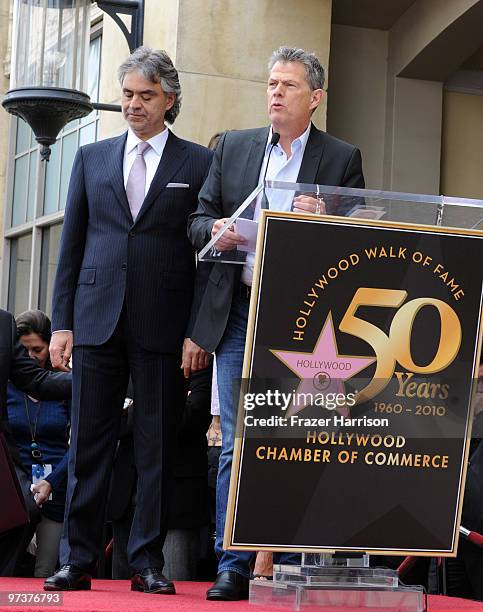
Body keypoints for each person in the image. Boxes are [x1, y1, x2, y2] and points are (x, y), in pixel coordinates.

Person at [188, 46, 365, 601]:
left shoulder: (340, 157)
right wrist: (216, 226)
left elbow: (361, 230)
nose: (275, 94)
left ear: (315, 97)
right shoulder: (237, 147)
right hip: (240, 312)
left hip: (304, 318)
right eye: (271, 84)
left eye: (288, 85)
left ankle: (285, 557)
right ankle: (233, 562)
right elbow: (196, 222)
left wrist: (326, 219)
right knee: (240, 438)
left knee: (292, 437)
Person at [45, 46, 213, 595]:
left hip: (163, 326)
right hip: (95, 320)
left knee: (154, 449)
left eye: (145, 95)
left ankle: (146, 562)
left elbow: (206, 256)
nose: (134, 105)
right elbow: (70, 248)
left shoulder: (198, 163)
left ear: (169, 99)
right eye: (127, 95)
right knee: (88, 444)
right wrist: (62, 323)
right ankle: (78, 559)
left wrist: (198, 330)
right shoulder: (91, 158)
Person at [0, 309, 71, 576]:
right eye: (26, 350)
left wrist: (95, 379)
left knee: (42, 572)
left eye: (37, 349)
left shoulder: (3, 324)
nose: (32, 356)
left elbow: (36, 380)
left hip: (50, 490)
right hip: (18, 480)